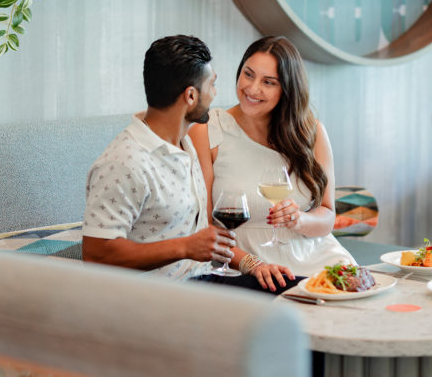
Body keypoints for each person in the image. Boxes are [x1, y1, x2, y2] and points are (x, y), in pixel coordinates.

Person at [190, 35, 355, 292]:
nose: (253, 89)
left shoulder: (312, 132)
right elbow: (205, 226)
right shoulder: (207, 130)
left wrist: (299, 219)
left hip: (321, 259)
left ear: (287, 89)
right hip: (253, 269)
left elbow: (327, 216)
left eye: (268, 82)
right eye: (248, 74)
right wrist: (249, 263)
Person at [82, 34, 235, 280]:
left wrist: (252, 264)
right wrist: (185, 247)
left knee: (294, 294)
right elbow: (96, 255)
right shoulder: (125, 162)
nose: (214, 94)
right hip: (158, 302)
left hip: (204, 281)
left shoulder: (185, 141)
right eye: (212, 85)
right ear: (191, 96)